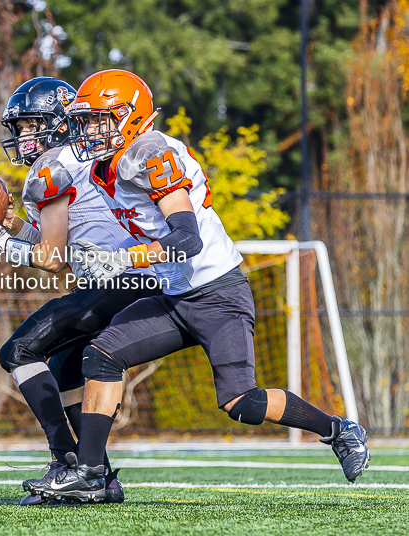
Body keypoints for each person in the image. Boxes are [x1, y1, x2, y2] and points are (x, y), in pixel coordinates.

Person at [26, 70, 371, 503]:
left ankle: (339, 429)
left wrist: (127, 259)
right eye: (86, 120)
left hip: (217, 294)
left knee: (241, 403)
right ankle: (91, 473)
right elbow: (80, 242)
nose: (89, 131)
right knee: (101, 355)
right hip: (173, 296)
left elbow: (186, 239)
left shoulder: (150, 154)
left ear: (130, 118)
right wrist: (14, 236)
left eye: (99, 120)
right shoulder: (106, 164)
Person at [0, 77, 162, 504]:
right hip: (135, 277)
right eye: (20, 128)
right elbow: (66, 248)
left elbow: (51, 260)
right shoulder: (79, 160)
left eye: (33, 125)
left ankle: (66, 461)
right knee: (67, 365)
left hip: (121, 280)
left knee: (18, 351)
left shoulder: (52, 167)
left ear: (59, 122)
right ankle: (98, 476)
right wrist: (14, 227)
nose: (23, 137)